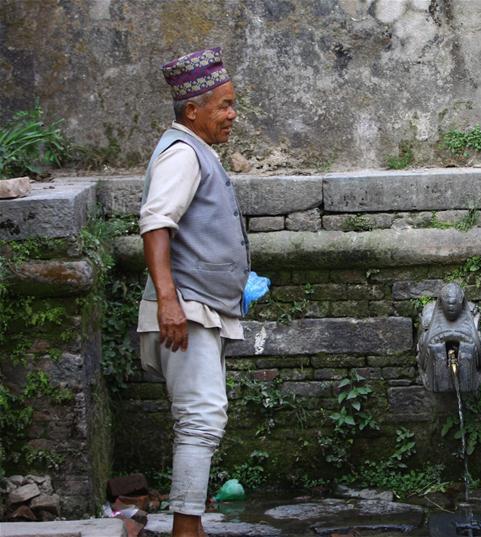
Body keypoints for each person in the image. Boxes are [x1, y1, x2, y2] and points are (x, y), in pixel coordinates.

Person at [136, 47, 248, 537]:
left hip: (202, 307)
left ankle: (190, 524)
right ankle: (186, 528)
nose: (232, 115)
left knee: (202, 416)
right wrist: (168, 301)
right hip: (186, 309)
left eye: (232, 104)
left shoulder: (195, 152)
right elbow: (156, 224)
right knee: (200, 418)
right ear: (192, 111)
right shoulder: (183, 154)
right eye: (223, 105)